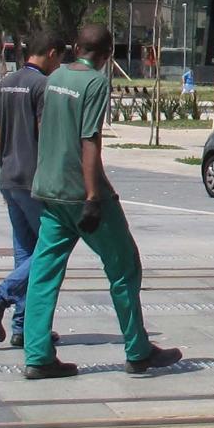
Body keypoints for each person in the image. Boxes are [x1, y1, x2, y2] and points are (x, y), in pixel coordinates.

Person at [19, 23, 182, 380]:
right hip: (84, 193)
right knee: (124, 267)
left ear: (75, 47)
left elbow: (44, 126)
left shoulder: (55, 77)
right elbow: (89, 139)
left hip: (49, 191)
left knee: (44, 274)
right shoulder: (95, 83)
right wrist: (94, 197)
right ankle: (138, 351)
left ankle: (37, 355)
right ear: (108, 56)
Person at [0, 30, 65, 349]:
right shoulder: (43, 86)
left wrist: (4, 167)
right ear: (51, 53)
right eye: (59, 59)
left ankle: (24, 327)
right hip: (35, 180)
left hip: (9, 177)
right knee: (49, 251)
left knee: (25, 252)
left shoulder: (6, 83)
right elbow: (45, 132)